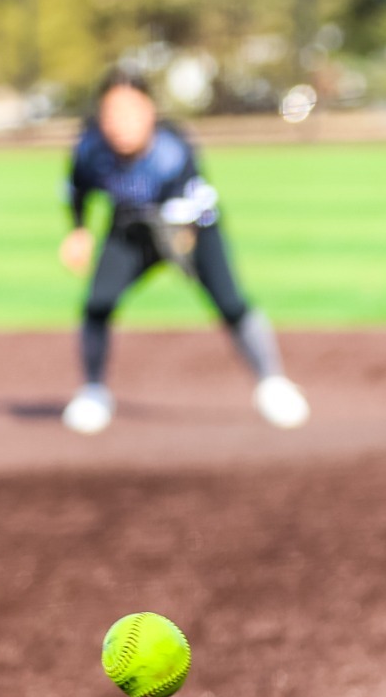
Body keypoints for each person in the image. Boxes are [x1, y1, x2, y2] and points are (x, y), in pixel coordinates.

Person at [57, 69, 308, 435]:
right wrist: (79, 230)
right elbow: (76, 188)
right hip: (130, 230)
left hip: (193, 229)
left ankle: (273, 383)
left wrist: (184, 255)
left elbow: (186, 210)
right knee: (97, 304)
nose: (120, 124)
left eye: (130, 112)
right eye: (112, 113)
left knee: (231, 304)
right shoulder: (90, 147)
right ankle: (93, 392)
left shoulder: (172, 149)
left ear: (150, 112)